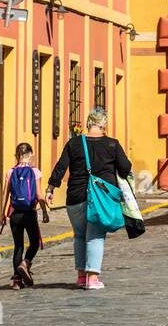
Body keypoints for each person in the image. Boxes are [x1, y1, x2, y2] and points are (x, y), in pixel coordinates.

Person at [46, 108, 131, 291]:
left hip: (75, 198)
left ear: (88, 123)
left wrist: (50, 188)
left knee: (79, 235)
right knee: (95, 236)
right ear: (104, 124)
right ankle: (92, 278)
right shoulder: (112, 145)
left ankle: (81, 276)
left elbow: (61, 167)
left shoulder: (74, 143)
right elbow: (125, 167)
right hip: (100, 198)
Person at [0, 142, 44, 289]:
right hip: (30, 213)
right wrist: (44, 210)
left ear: (17, 155)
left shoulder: (10, 172)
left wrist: (2, 213)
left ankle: (17, 282)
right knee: (34, 243)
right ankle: (25, 263)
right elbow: (38, 194)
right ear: (30, 154)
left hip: (15, 215)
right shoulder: (35, 172)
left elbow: (5, 194)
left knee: (18, 245)